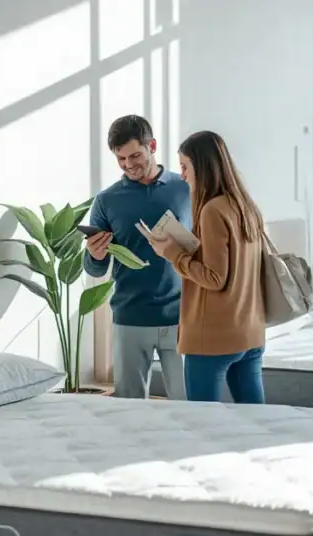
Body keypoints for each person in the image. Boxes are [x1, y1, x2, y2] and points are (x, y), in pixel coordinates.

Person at [145, 130, 267, 404]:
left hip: (213, 337)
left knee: (202, 420)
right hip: (250, 332)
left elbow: (215, 278)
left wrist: (171, 252)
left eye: (185, 167)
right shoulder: (246, 206)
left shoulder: (213, 210)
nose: (182, 175)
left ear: (203, 167)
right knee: (257, 417)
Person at [82, 115, 191, 400]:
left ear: (151, 146)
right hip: (130, 317)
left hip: (182, 316)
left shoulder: (185, 188)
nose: (129, 165)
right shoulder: (106, 201)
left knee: (190, 405)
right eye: (121, 159)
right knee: (128, 409)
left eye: (135, 156)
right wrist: (94, 255)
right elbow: (95, 269)